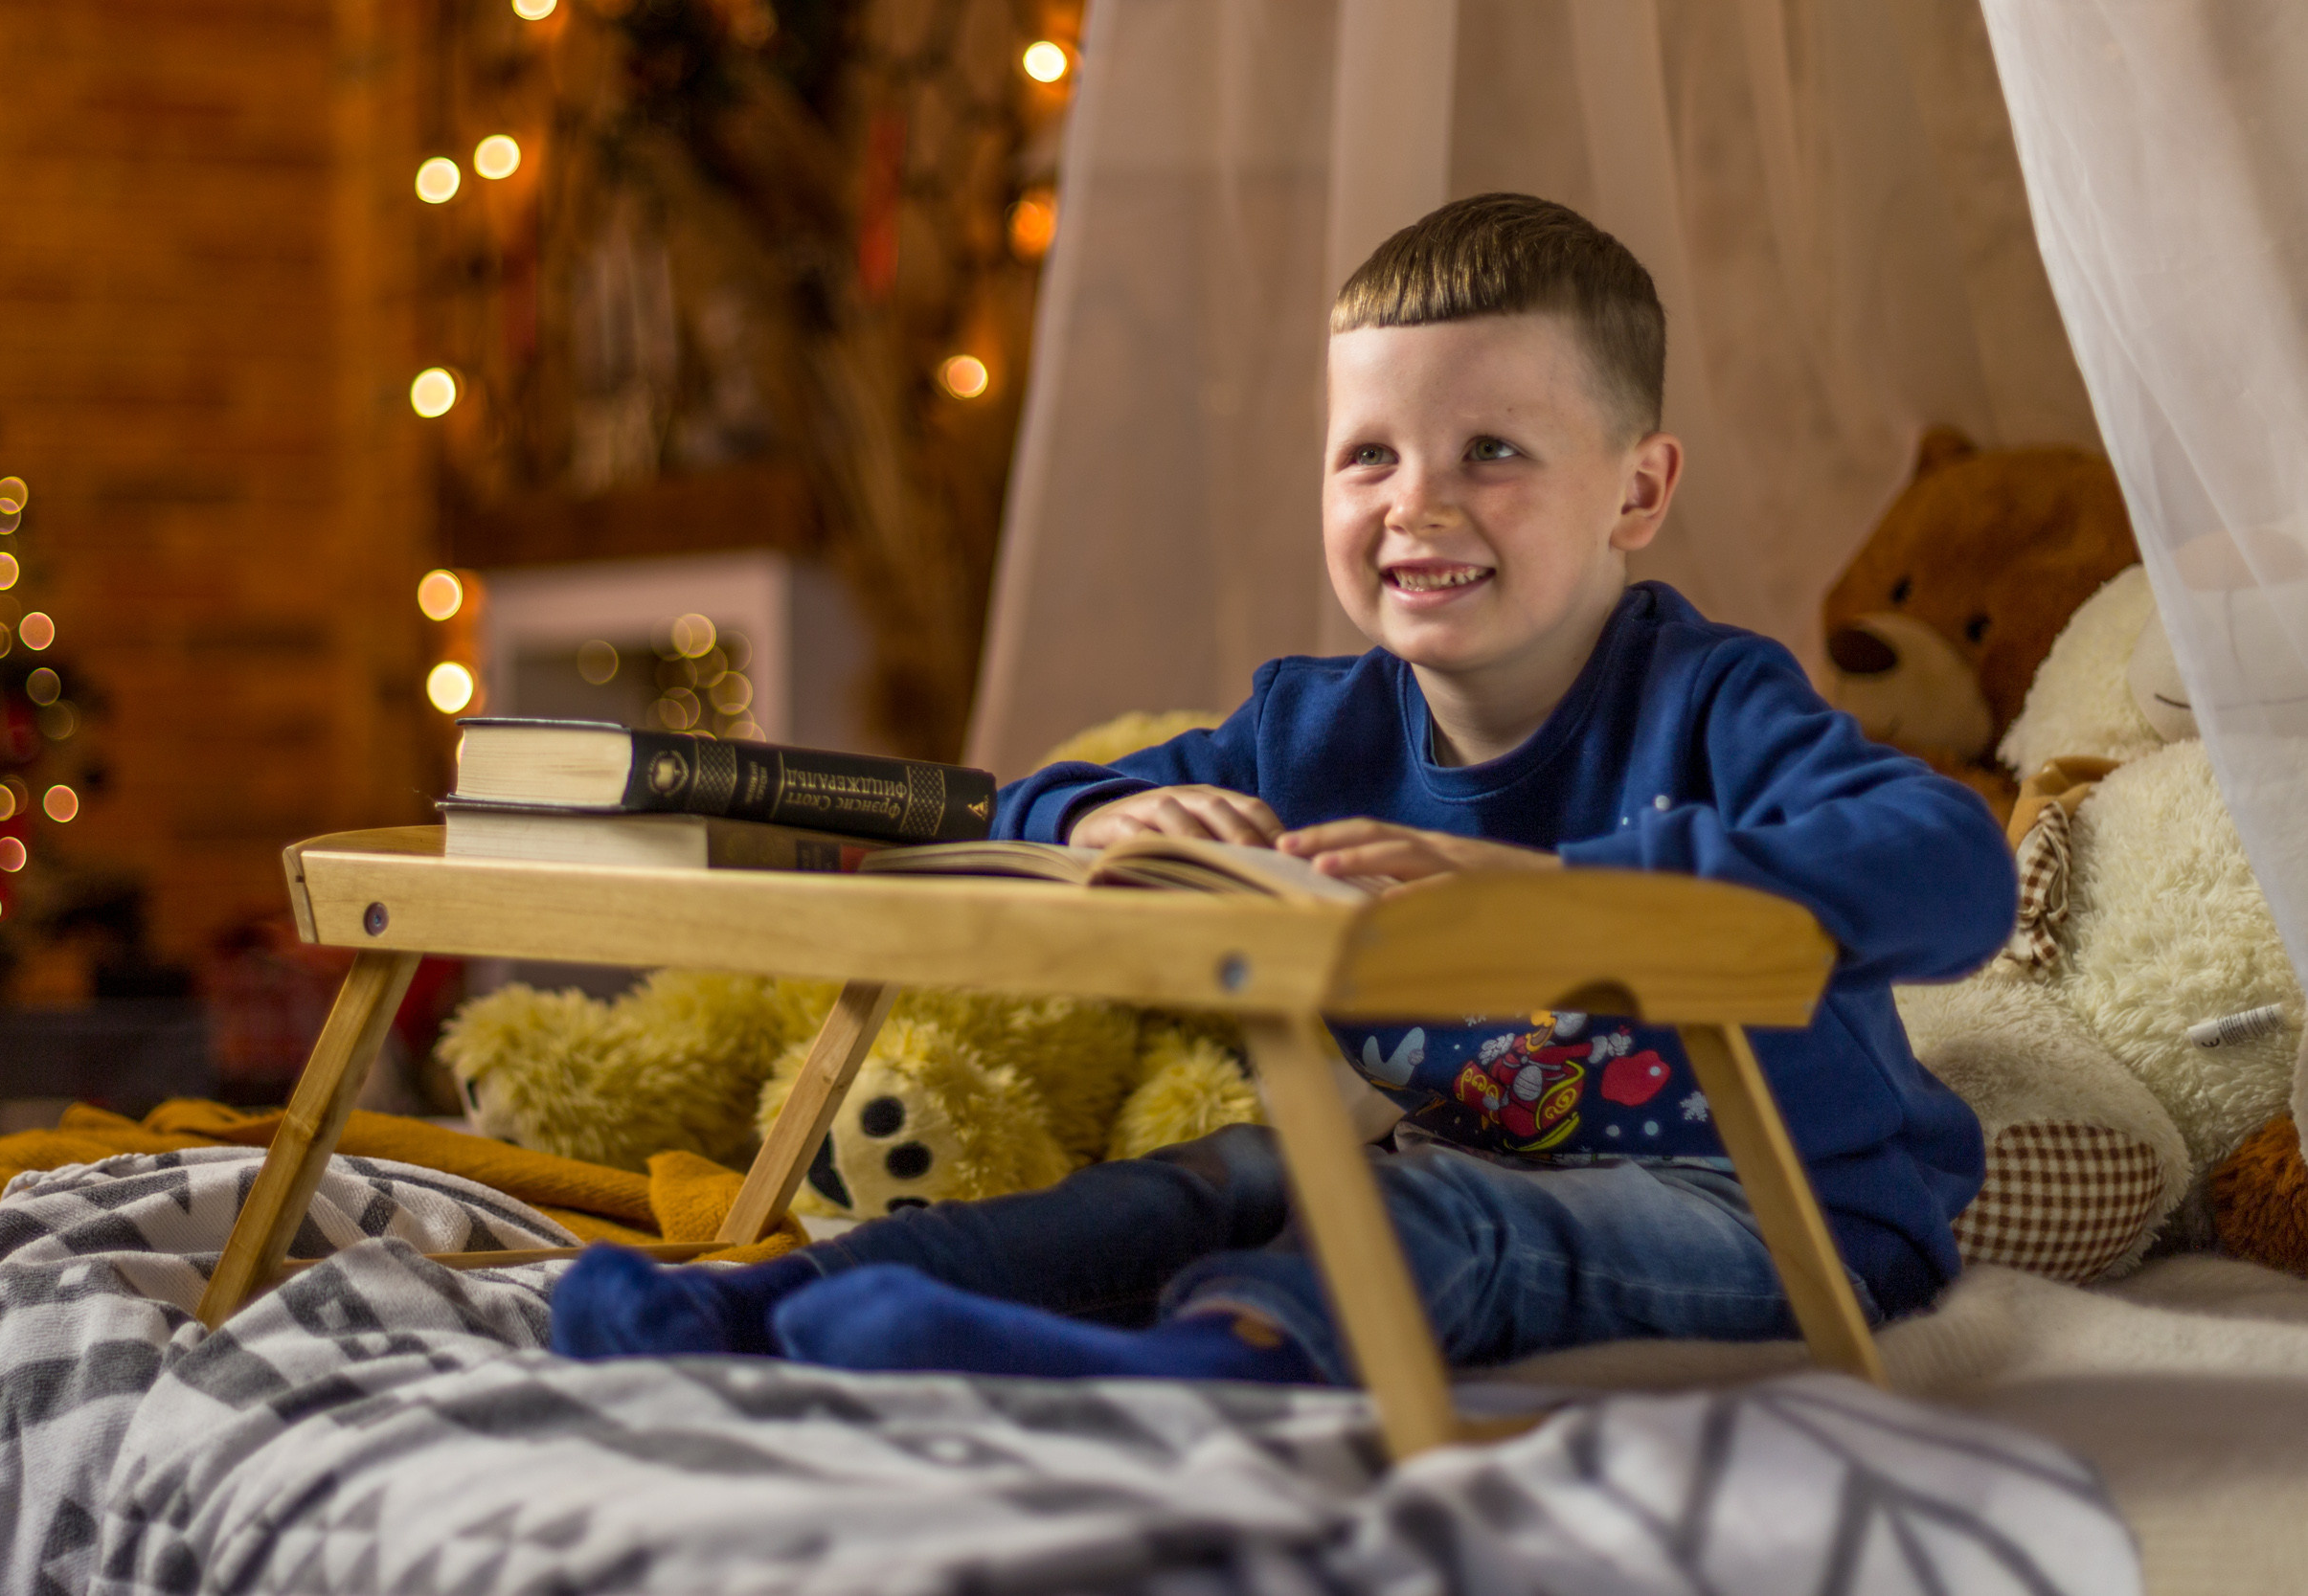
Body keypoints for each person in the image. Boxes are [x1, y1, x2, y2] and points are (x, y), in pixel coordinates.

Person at [550, 192, 2016, 1385]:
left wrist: (1573, 896)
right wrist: (1097, 818)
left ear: (1637, 491)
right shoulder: (1311, 724)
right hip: (1476, 1157)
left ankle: (1179, 1385)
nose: (1414, 504)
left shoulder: (1708, 697)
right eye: (1367, 453)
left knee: (1417, 1210)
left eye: (1492, 452)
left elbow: (1954, 868)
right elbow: (1028, 799)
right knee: (1217, 1176)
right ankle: (766, 1311)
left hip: (1796, 1218)